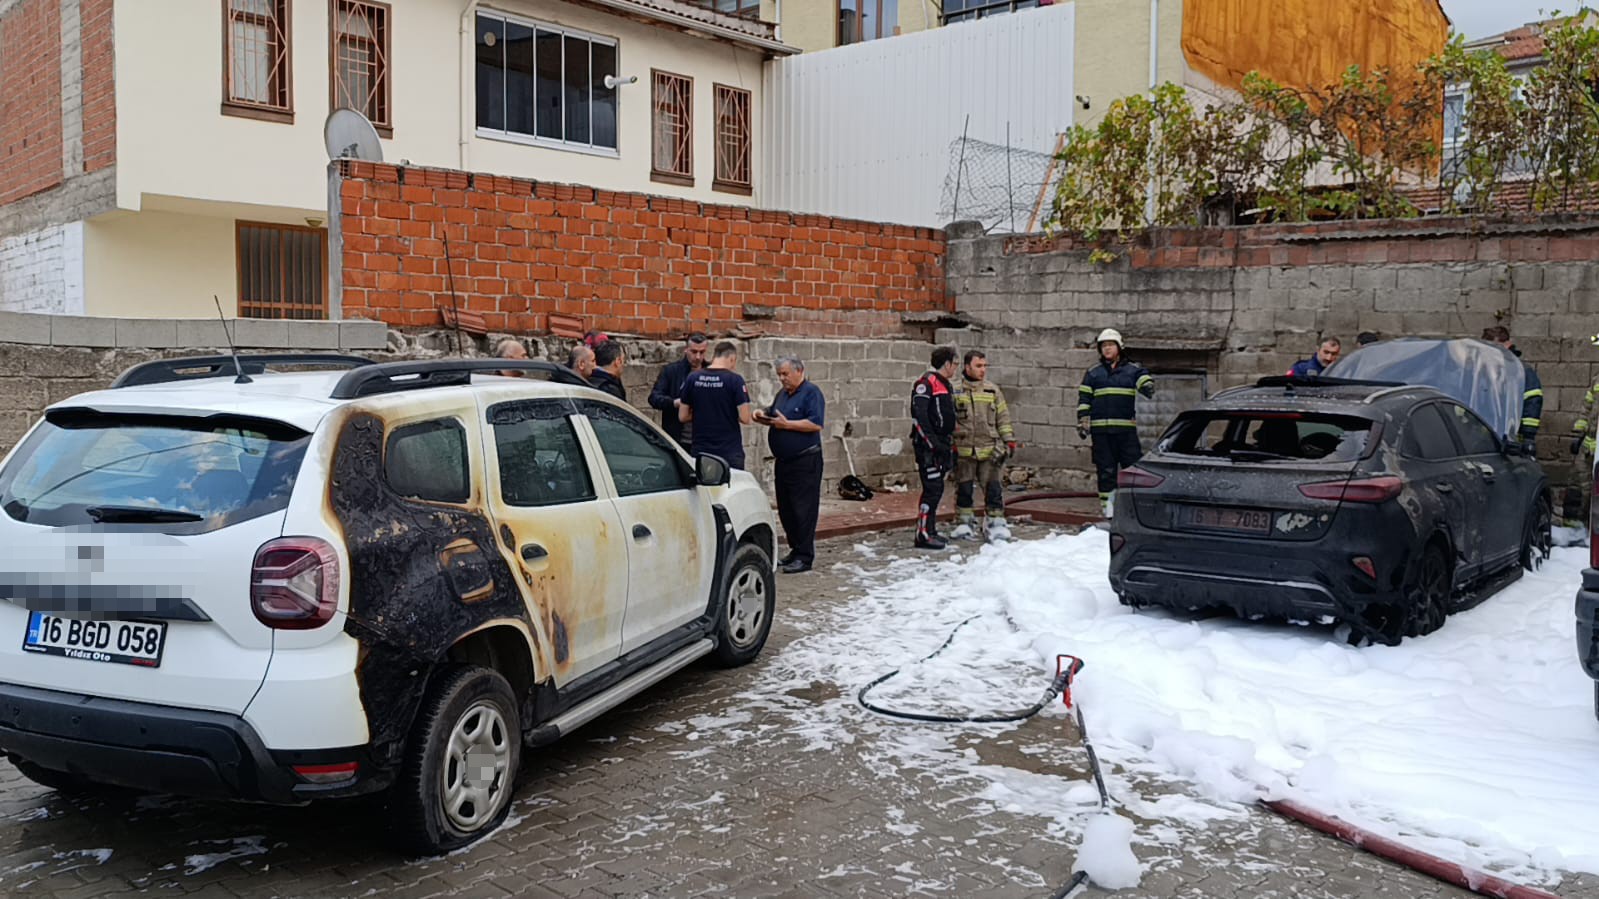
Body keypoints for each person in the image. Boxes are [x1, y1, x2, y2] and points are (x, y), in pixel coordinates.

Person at [754, 357, 825, 574]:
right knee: (787, 508)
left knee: (803, 508)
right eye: (779, 375)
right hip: (784, 461)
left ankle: (805, 556)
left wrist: (788, 425)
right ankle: (795, 550)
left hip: (805, 460)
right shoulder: (783, 394)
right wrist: (762, 415)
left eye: (785, 374)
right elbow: (773, 412)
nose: (782, 379)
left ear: (799, 371)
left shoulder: (812, 392)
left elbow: (815, 423)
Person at [1077, 328, 1154, 518]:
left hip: (1125, 432)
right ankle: (1108, 508)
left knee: (1132, 468)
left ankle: (1132, 505)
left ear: (1119, 347)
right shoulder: (1093, 373)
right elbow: (1084, 398)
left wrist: (1147, 384)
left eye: (1110, 345)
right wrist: (1083, 420)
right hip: (1101, 432)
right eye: (1103, 346)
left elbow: (1143, 378)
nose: (1107, 349)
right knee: (1105, 470)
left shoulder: (1132, 370)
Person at [950, 350, 1017, 542]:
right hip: (963, 449)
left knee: (993, 487)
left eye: (985, 366)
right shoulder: (954, 390)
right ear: (967, 367)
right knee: (964, 488)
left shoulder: (992, 390)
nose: (983, 370)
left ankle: (995, 522)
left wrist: (1009, 440)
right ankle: (964, 522)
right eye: (978, 366)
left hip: (989, 449)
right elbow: (947, 420)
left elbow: (1003, 417)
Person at [910, 346, 959, 550]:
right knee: (932, 489)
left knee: (937, 488)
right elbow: (919, 417)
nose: (956, 368)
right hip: (928, 447)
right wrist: (933, 445)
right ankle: (922, 533)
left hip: (942, 444)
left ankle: (930, 529)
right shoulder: (926, 383)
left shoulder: (945, 385)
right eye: (955, 364)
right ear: (946, 364)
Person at [679, 342, 752, 469]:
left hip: (701, 451)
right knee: (732, 488)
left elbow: (683, 416)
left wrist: (704, 413)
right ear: (731, 358)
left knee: (703, 488)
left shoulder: (693, 378)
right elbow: (745, 418)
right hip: (729, 452)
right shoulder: (735, 380)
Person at [1482, 326, 1541, 449]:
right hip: (1482, 436)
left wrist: (1528, 437)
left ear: (1507, 345)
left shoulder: (1522, 371)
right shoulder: (1482, 371)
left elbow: (1532, 401)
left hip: (1510, 439)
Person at [650, 333, 710, 450]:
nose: (698, 357)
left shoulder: (712, 372)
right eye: (694, 352)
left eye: (702, 352)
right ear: (686, 350)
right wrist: (674, 403)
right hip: (678, 439)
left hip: (705, 439)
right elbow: (654, 398)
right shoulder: (672, 371)